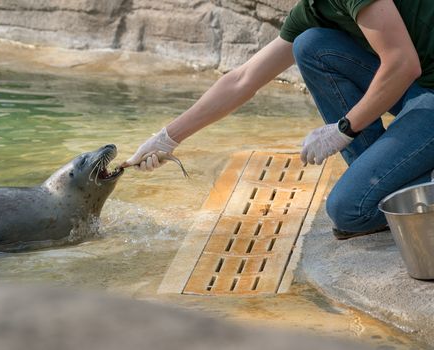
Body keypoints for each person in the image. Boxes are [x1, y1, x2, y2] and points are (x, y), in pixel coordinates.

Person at [121, 0, 434, 240]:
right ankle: (383, 178)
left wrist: (344, 129)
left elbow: (402, 63)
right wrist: (166, 138)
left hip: (424, 91)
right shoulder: (314, 8)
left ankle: (382, 191)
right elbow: (242, 80)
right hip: (420, 91)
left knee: (349, 210)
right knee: (311, 45)